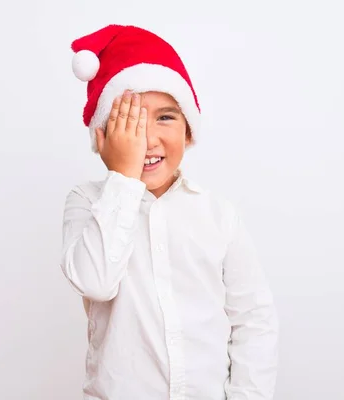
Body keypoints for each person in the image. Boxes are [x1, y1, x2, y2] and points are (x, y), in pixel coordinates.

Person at [61, 24, 279, 400]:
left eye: (164, 117)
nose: (145, 138)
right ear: (101, 136)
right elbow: (95, 281)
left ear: (189, 131)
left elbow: (253, 320)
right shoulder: (87, 201)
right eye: (127, 122)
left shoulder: (218, 214)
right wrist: (123, 178)